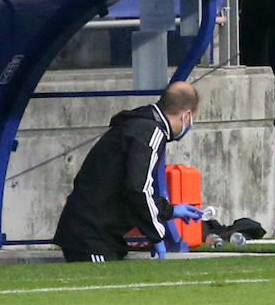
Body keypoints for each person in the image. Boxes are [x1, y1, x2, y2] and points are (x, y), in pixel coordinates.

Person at [53, 81, 204, 262]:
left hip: (94, 232)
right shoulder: (151, 132)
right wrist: (156, 233)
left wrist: (169, 211)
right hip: (91, 234)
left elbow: (126, 187)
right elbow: (138, 189)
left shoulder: (137, 125)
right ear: (187, 116)